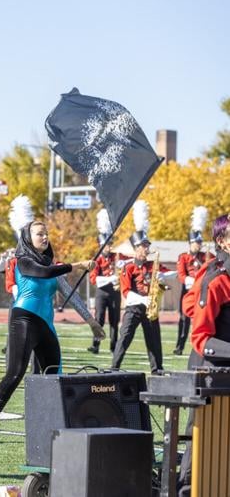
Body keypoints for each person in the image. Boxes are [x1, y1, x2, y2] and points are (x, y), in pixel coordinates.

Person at [0, 220, 92, 442]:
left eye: (46, 233)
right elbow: (43, 272)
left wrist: (92, 322)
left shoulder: (52, 263)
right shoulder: (22, 261)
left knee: (54, 375)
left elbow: (66, 288)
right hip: (24, 320)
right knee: (14, 374)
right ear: (28, 238)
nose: (45, 237)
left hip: (46, 325)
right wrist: (76, 264)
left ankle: (52, 426)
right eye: (39, 234)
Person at [176, 214, 230, 493]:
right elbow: (200, 337)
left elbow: (188, 304)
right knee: (201, 436)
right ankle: (188, 486)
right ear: (223, 241)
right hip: (210, 366)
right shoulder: (217, 278)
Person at [111, 203, 176, 375]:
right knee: (124, 337)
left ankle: (157, 369)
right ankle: (114, 367)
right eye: (144, 246)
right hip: (134, 308)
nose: (147, 249)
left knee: (154, 339)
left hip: (150, 309)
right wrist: (144, 299)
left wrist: (165, 277)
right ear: (136, 248)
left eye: (147, 245)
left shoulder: (152, 264)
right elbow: (126, 293)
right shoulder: (128, 267)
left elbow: (172, 274)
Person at [174, 206, 213, 355]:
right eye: (196, 243)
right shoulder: (183, 257)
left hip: (201, 291)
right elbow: (181, 276)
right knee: (184, 320)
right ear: (190, 243)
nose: (198, 245)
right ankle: (180, 346)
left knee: (202, 318)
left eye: (200, 242)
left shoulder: (205, 256)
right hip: (188, 290)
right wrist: (194, 280)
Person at [87, 212, 123, 354]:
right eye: (107, 245)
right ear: (101, 245)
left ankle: (113, 346)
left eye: (110, 244)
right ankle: (96, 345)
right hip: (102, 292)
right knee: (99, 319)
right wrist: (109, 279)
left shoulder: (116, 256)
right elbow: (94, 279)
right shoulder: (97, 260)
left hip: (114, 292)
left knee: (114, 321)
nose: (110, 247)